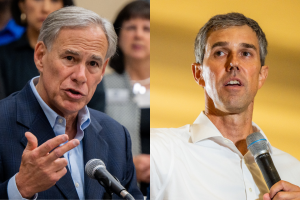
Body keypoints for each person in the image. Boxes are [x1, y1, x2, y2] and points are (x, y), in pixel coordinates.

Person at [150, 13, 300, 200]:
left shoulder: (295, 171)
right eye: (220, 53)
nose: (234, 63)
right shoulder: (159, 151)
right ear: (198, 73)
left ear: (262, 75)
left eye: (246, 53)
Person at [0, 6, 143, 200]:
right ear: (40, 56)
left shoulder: (116, 135)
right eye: (69, 58)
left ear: (102, 71)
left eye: (93, 64)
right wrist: (19, 188)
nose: (80, 77)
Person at [0, 0, 106, 112]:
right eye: (37, 0)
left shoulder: (86, 53)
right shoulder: (3, 56)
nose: (45, 8)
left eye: (54, 0)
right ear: (22, 5)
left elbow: (96, 113)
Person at [104, 0, 150, 195]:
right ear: (118, 37)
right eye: (131, 27)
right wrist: (128, 166)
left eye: (147, 28)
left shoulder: (173, 90)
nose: (138, 34)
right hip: (118, 189)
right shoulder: (100, 85)